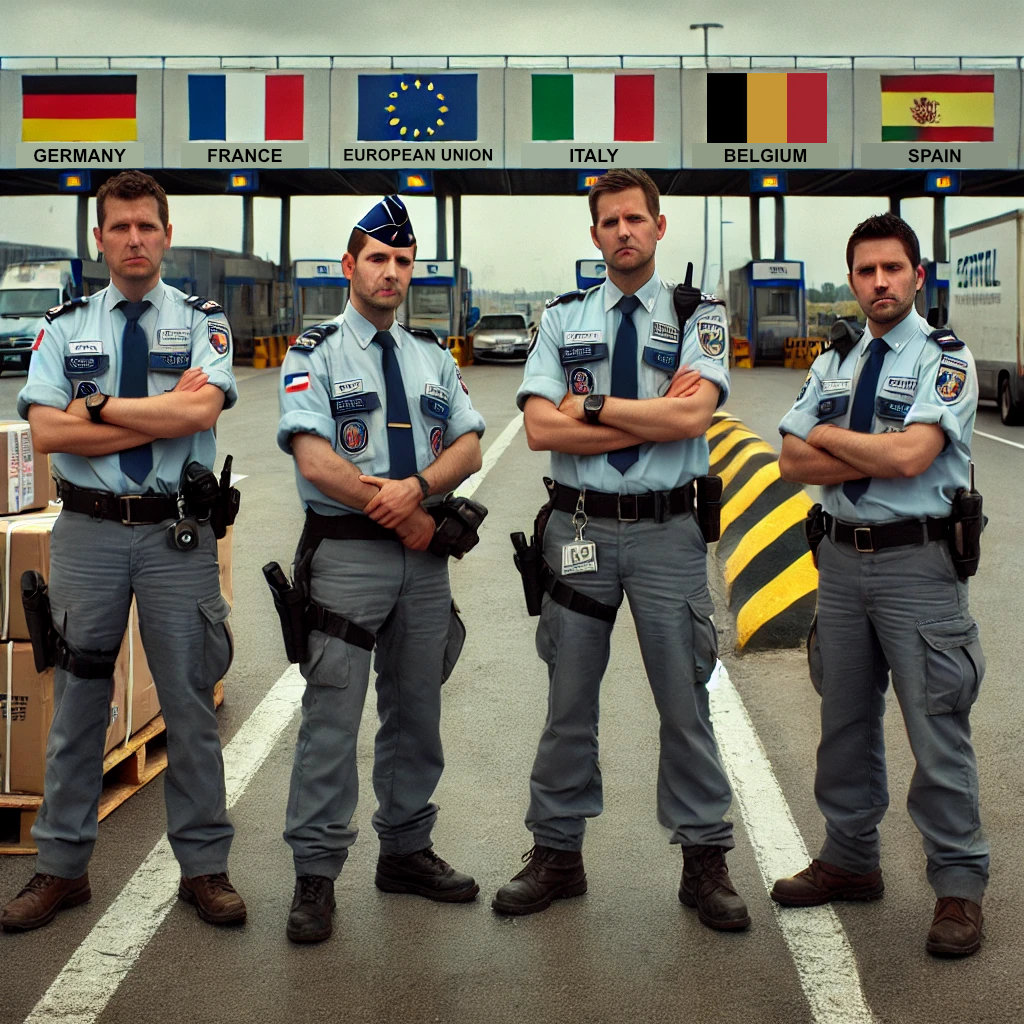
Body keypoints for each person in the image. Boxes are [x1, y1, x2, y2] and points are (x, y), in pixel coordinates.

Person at [494, 168, 749, 931]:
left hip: (670, 532)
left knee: (685, 701)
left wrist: (596, 405)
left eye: (637, 219)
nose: (625, 232)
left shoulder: (699, 314)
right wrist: (651, 413)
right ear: (596, 232)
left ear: (659, 228)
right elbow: (542, 429)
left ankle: (704, 861)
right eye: (611, 222)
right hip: (578, 528)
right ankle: (556, 854)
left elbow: (694, 417)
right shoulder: (561, 318)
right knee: (568, 701)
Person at [1, 170, 243, 932]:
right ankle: (61, 868)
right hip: (89, 533)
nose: (134, 238)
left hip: (176, 532)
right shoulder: (66, 325)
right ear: (99, 238)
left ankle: (204, 868)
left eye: (148, 226)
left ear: (166, 236)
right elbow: (47, 431)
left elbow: (203, 407)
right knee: (75, 705)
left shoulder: (204, 322)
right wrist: (162, 416)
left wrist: (99, 407)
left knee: (188, 706)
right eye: (120, 227)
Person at [772, 212, 988, 958]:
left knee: (936, 727)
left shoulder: (942, 358)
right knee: (844, 723)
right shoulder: (835, 357)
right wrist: (857, 446)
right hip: (838, 561)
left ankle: (959, 886)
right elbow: (789, 463)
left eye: (892, 269)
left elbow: (912, 458)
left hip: (918, 565)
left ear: (917, 276)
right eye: (865, 271)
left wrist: (827, 436)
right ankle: (850, 858)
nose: (879, 283)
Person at [276, 195, 485, 944]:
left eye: (402, 261)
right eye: (378, 258)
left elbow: (468, 445)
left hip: (422, 566)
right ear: (350, 266)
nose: (391, 272)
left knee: (416, 712)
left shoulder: (431, 355)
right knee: (332, 717)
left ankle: (405, 850)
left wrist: (422, 491)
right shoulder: (315, 351)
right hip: (347, 557)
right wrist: (399, 504)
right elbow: (313, 455)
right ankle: (316, 874)